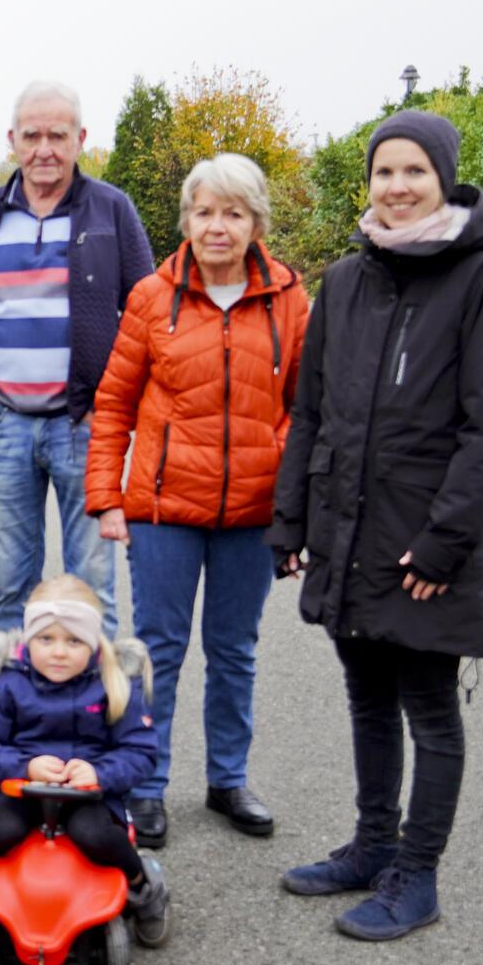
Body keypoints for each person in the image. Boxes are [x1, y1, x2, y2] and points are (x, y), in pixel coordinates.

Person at [267, 110, 483, 941]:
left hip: (425, 545)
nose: (398, 187)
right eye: (385, 172)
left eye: (415, 171)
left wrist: (447, 540)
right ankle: (373, 844)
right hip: (347, 531)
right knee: (366, 695)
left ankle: (417, 874)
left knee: (428, 705)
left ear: (443, 178)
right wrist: (291, 520)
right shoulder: (346, 281)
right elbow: (309, 412)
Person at [85, 153, 309, 848]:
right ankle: (146, 785)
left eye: (234, 213)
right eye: (206, 212)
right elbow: (114, 401)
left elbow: (309, 408)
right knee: (157, 651)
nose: (219, 227)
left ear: (256, 222)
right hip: (162, 511)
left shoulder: (289, 300)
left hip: (252, 515)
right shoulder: (153, 297)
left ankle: (228, 779)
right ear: (187, 219)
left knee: (235, 650)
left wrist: (294, 508)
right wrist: (106, 498)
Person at [0, 80, 155, 637]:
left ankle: (96, 712)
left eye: (58, 135)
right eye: (32, 135)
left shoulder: (112, 212)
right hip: (4, 427)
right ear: (12, 140)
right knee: (14, 585)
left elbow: (148, 318)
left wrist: (132, 415)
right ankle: (14, 709)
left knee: (92, 585)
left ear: (80, 138)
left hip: (87, 429)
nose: (44, 149)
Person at [0, 576, 169, 947]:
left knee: (95, 836)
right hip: (24, 790)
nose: (59, 652)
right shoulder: (8, 682)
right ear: (29, 639)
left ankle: (143, 886)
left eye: (73, 641)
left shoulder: (114, 681)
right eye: (46, 639)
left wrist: (99, 773)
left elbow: (140, 752)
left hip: (90, 796)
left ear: (92, 643)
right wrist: (23, 766)